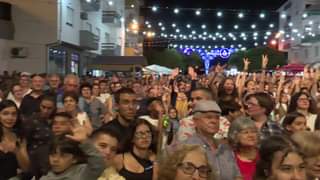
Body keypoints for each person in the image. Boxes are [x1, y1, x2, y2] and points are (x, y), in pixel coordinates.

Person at [181, 100, 241, 180]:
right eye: (208, 117)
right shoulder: (186, 147)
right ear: (195, 121)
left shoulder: (225, 148)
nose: (214, 121)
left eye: (217, 118)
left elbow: (237, 175)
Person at [40, 120, 105, 180]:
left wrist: (84, 142)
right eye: (53, 155)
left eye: (63, 155)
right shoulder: (45, 178)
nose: (55, 160)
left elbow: (98, 164)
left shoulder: (82, 173)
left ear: (74, 159)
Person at [23, 94, 56, 179]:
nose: (45, 110)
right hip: (34, 160)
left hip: (51, 161)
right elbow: (25, 142)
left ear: (54, 108)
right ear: (39, 106)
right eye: (43, 107)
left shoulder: (55, 121)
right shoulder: (31, 121)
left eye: (49, 108)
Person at [0, 100, 30, 180]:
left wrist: (17, 151)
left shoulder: (20, 137)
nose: (10, 118)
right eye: (5, 113)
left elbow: (26, 168)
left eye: (14, 114)